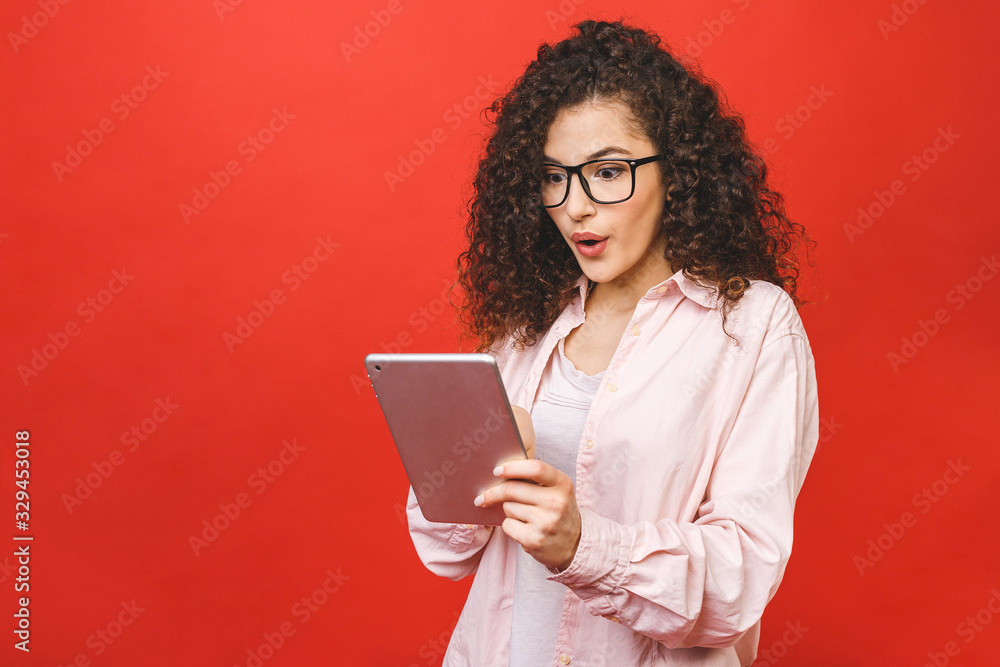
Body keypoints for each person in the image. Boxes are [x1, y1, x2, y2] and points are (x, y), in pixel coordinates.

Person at [405, 18, 819, 666]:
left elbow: (739, 578)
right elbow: (444, 551)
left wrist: (583, 545)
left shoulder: (753, 326)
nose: (574, 206)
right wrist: (471, 463)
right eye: (553, 177)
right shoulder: (527, 323)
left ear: (676, 172)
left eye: (607, 171)